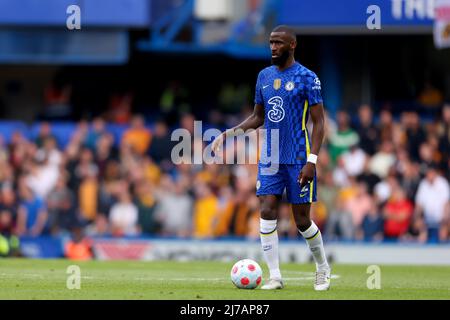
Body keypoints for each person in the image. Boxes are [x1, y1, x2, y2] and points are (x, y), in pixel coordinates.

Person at [212, 25, 330, 291]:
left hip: (299, 155)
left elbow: (319, 122)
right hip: (270, 157)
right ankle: (275, 276)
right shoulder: (263, 76)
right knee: (266, 209)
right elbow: (258, 116)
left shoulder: (307, 77)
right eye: (270, 42)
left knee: (301, 220)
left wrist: (312, 160)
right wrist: (228, 133)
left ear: (292, 45)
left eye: (278, 43)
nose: (273, 47)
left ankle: (322, 267)